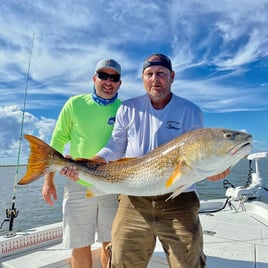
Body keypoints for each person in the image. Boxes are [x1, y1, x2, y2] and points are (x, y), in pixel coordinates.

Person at [61, 53, 229, 268]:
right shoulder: (128, 108)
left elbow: (199, 155)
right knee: (121, 261)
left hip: (179, 202)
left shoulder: (190, 111)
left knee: (188, 264)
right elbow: (114, 148)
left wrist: (214, 169)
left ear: (172, 76)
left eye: (161, 73)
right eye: (149, 74)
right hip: (133, 200)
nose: (155, 79)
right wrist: (83, 163)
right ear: (142, 78)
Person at [42, 58, 122, 268]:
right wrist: (48, 181)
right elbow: (57, 143)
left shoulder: (125, 110)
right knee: (79, 244)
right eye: (103, 76)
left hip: (113, 185)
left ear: (119, 83)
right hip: (78, 181)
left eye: (113, 78)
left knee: (111, 244)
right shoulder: (75, 103)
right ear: (94, 78)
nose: (108, 81)